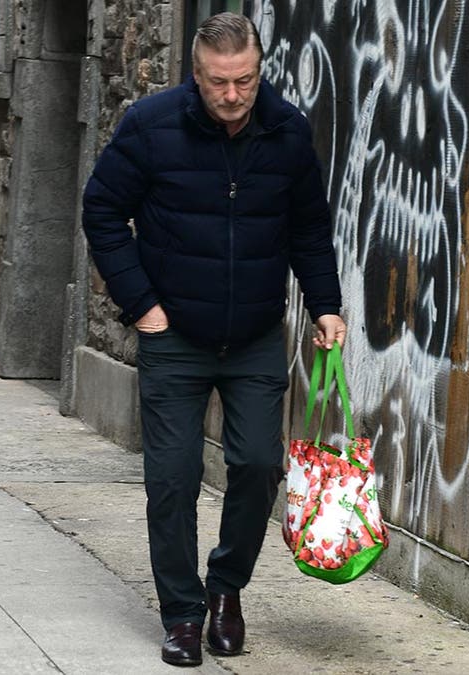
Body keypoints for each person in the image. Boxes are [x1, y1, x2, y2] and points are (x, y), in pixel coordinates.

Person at [82, 12, 345, 667]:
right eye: (218, 83)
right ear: (195, 72)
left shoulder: (286, 132)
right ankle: (183, 613)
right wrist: (142, 306)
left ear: (260, 69)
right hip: (174, 335)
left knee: (258, 465)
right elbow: (103, 211)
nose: (232, 96)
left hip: (255, 332)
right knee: (172, 480)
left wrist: (326, 306)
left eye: (245, 81)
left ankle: (226, 587)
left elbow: (309, 228)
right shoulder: (151, 125)